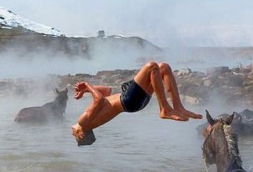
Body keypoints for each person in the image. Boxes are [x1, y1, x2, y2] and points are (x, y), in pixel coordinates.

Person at [72, 61, 202, 146]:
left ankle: (178, 107)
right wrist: (88, 86)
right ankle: (165, 109)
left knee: (163, 68)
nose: (72, 133)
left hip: (134, 102)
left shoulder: (92, 120)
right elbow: (99, 99)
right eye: (75, 136)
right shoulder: (83, 122)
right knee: (152, 66)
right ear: (82, 134)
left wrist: (86, 91)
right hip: (128, 99)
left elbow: (107, 91)